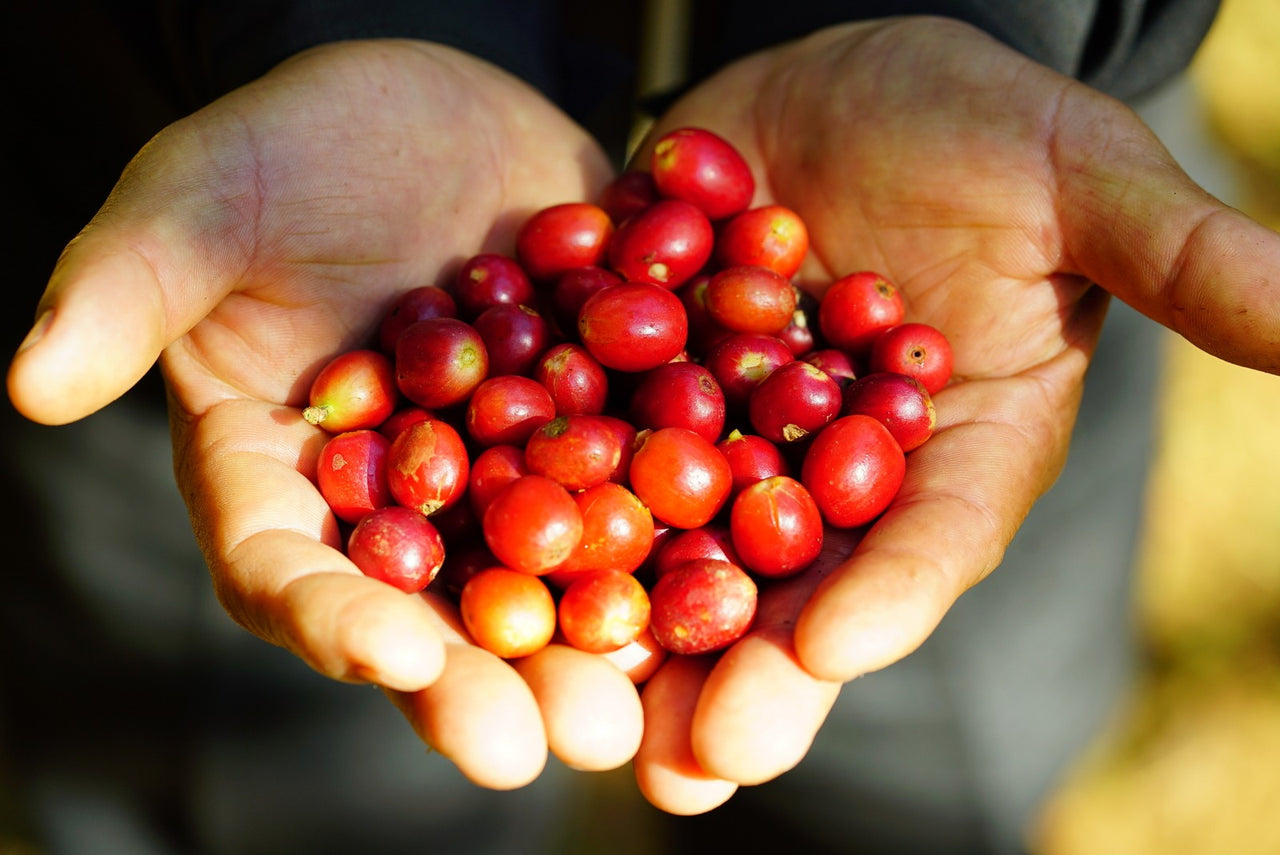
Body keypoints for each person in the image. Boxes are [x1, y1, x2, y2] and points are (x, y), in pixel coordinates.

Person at [3, 1, 1275, 852]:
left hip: (978, 144)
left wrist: (985, 13)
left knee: (933, 742)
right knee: (243, 775)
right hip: (195, 93)